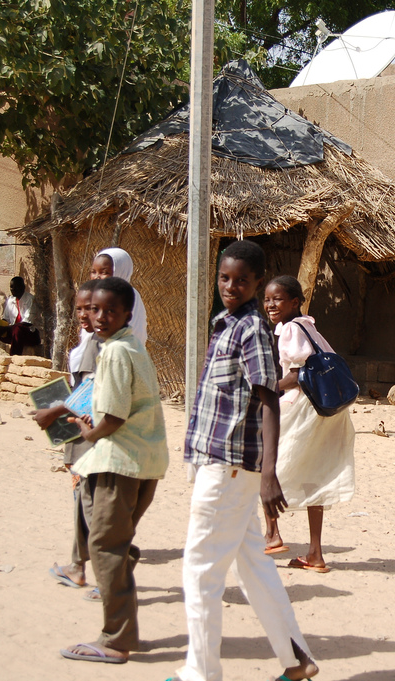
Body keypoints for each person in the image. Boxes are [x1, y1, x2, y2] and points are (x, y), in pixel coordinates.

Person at [175, 241, 318, 681]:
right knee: (254, 565)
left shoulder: (252, 329)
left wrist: (268, 473)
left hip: (230, 465)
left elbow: (267, 399)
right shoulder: (225, 324)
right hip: (217, 462)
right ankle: (296, 661)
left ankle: (201, 673)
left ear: (258, 282)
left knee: (199, 570)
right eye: (224, 278)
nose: (230, 287)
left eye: (241, 280)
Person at [59, 276, 169, 664]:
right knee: (102, 536)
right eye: (93, 309)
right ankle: (118, 578)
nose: (99, 316)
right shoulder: (127, 347)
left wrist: (89, 433)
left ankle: (116, 639)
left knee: (105, 546)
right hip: (139, 462)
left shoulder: (118, 352)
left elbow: (115, 417)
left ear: (127, 314)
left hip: (121, 461)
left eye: (109, 311)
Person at [261, 275, 355, 572]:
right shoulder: (308, 325)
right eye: (267, 299)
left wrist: (271, 387)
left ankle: (272, 533)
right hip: (325, 411)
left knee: (264, 462)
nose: (270, 304)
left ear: (295, 302)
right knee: (315, 473)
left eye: (277, 299)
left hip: (302, 408)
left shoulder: (290, 329)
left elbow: (298, 375)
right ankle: (314, 553)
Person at [36, 279, 101, 597]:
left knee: (91, 505)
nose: (83, 314)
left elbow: (90, 392)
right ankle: (78, 565)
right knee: (82, 502)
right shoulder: (88, 339)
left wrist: (55, 410)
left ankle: (109, 577)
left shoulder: (101, 344)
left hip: (90, 433)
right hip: (79, 429)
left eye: (89, 308)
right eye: (79, 308)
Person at [90, 247, 148, 344]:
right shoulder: (94, 297)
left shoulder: (128, 296)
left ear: (120, 271)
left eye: (104, 272)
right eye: (93, 272)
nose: (97, 277)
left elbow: (135, 334)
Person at [0, 276, 41, 355]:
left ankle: (13, 359)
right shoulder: (11, 300)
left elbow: (27, 323)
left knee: (17, 329)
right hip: (11, 331)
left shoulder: (30, 299)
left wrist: (5, 328)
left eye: (16, 287)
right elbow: (6, 319)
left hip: (29, 334)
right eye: (11, 287)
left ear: (23, 287)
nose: (13, 289)